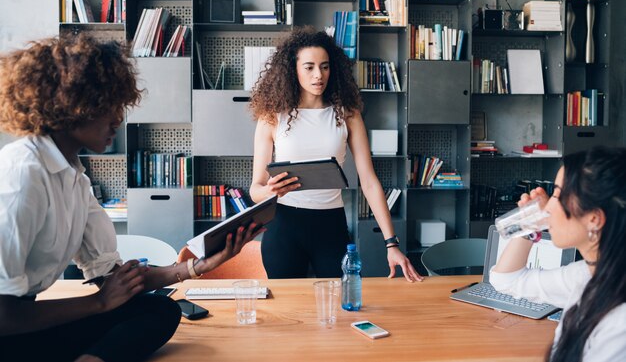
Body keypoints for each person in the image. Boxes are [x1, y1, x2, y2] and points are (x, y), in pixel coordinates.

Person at [0, 34, 261, 362]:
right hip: (8, 331)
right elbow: (5, 316)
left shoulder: (75, 178)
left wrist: (198, 266)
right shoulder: (22, 173)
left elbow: (116, 282)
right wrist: (99, 304)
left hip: (25, 325)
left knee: (159, 310)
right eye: (109, 106)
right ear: (71, 103)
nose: (119, 119)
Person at [249, 27, 422, 282]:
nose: (319, 75)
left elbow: (370, 182)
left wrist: (391, 244)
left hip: (330, 224)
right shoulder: (272, 117)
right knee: (287, 311)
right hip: (284, 225)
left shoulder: (347, 114)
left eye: (325, 66)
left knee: (342, 307)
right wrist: (270, 191)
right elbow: (255, 189)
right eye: (309, 67)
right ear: (292, 69)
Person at [491, 146, 626, 362]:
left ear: (594, 219)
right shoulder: (586, 275)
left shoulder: (620, 320)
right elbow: (506, 280)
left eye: (557, 195)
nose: (547, 207)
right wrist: (529, 225)